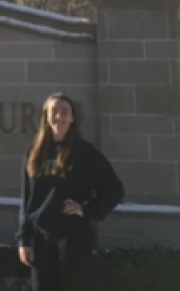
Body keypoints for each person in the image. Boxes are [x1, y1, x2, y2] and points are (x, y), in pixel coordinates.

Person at [18, 93, 124, 291]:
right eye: (54, 112)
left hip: (73, 238)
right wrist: (24, 239)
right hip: (41, 238)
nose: (59, 117)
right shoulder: (34, 152)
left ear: (73, 117)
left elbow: (114, 189)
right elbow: (27, 200)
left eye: (64, 112)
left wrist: (87, 209)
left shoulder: (84, 153)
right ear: (46, 117)